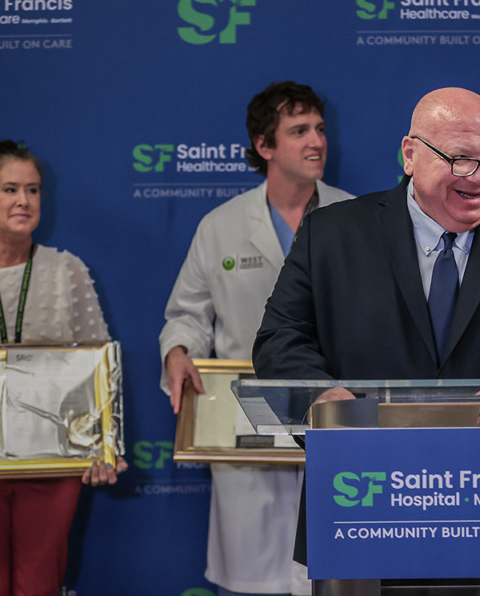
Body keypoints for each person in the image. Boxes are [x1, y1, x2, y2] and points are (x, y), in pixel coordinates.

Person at [253, 86, 480, 385]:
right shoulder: (329, 237)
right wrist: (326, 400)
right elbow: (279, 343)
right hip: (364, 458)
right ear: (410, 155)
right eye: (461, 158)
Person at [159, 82, 353, 596]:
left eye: (319, 129)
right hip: (246, 424)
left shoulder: (358, 220)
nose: (316, 142)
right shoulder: (220, 226)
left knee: (333, 575)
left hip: (334, 416)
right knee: (254, 580)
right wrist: (178, 351)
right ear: (264, 146)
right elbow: (188, 315)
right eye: (298, 132)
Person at [0, 140, 124, 595]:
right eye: (10, 189)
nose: (23, 201)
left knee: (40, 582)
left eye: (33, 190)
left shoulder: (66, 270)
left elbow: (99, 360)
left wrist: (106, 445)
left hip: (53, 461)